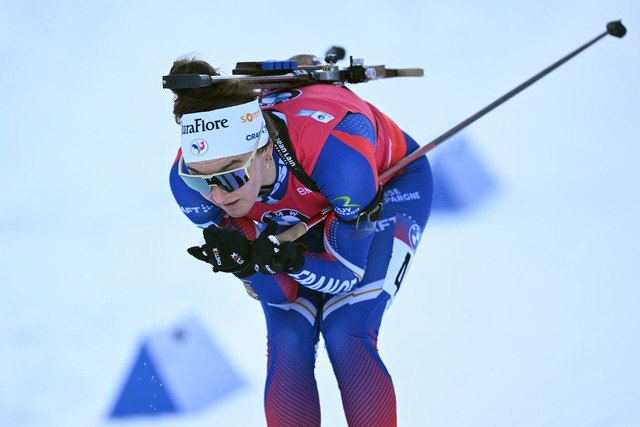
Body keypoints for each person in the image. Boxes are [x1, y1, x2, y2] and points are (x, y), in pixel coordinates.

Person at [167, 56, 433, 427]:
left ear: (264, 151)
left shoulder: (337, 161)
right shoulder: (188, 186)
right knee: (288, 339)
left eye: (229, 178)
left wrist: (293, 261)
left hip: (385, 185)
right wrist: (248, 264)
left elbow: (346, 275)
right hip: (307, 206)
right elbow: (280, 295)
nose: (215, 196)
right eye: (199, 179)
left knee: (346, 331)